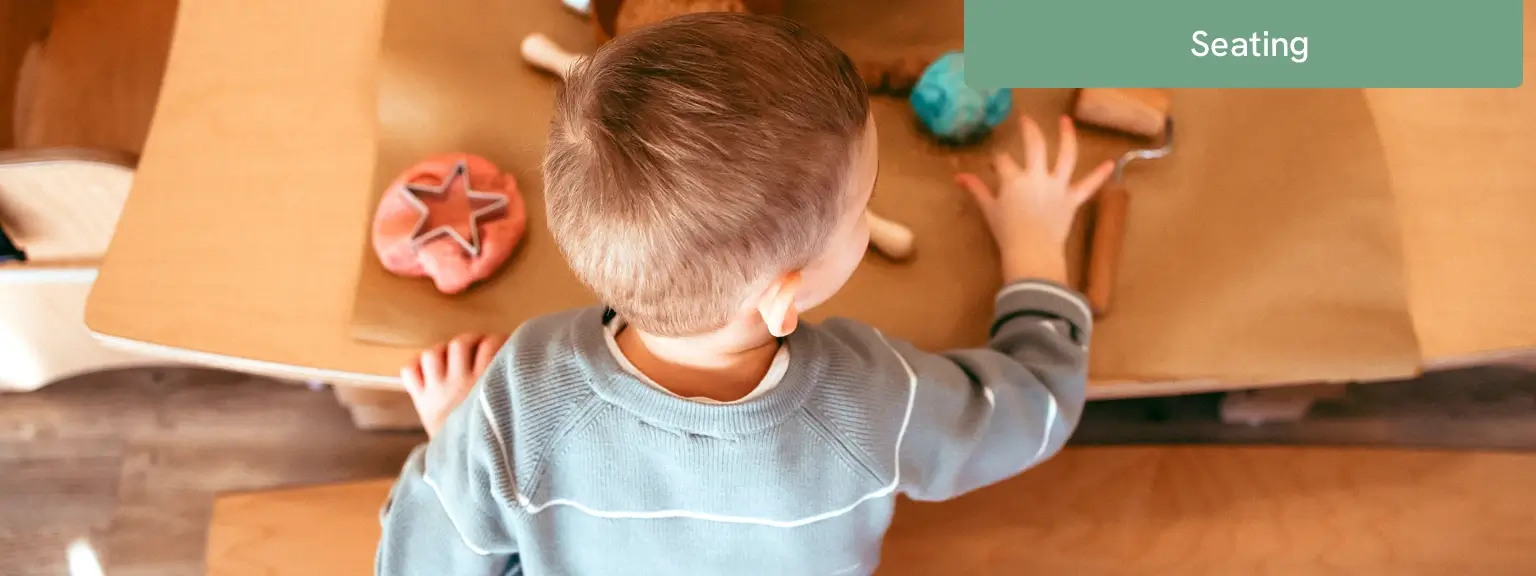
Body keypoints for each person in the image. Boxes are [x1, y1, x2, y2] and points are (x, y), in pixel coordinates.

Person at [377, 12, 1112, 576]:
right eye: (862, 207)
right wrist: (1036, 247)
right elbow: (1031, 410)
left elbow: (414, 562)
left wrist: (463, 442)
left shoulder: (520, 398)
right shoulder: (866, 394)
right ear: (781, 297)